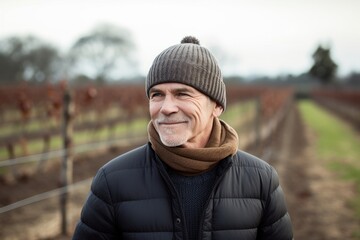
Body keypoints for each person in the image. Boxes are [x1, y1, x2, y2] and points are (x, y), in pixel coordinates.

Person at [72, 36, 293, 240]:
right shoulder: (112, 182)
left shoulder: (261, 181)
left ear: (216, 105)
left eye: (182, 94)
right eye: (157, 95)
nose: (166, 108)